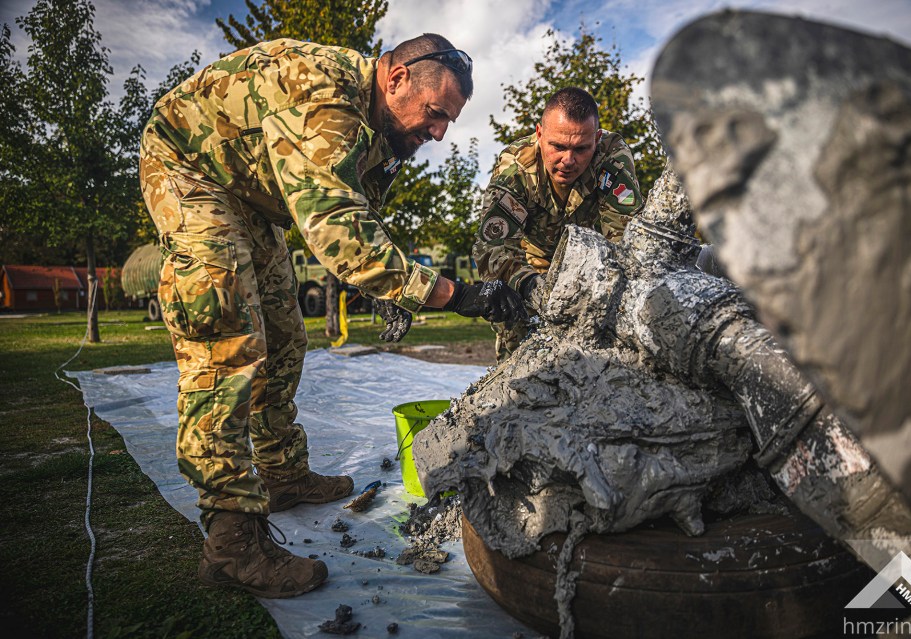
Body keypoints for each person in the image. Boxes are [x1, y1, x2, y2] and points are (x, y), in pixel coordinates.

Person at [139, 33, 525, 598]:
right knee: (226, 342)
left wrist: (392, 288)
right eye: (435, 114)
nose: (440, 132)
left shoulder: (378, 128)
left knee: (285, 337)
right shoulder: (321, 94)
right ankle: (231, 545)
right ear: (395, 79)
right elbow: (338, 228)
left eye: (448, 122)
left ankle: (282, 475)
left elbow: (363, 215)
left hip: (249, 194)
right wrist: (455, 295)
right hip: (190, 170)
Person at [472, 87, 644, 360]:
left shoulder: (611, 157)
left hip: (591, 262)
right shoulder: (516, 168)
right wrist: (530, 287)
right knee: (516, 341)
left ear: (597, 140)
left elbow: (627, 240)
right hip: (530, 265)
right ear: (540, 135)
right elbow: (493, 250)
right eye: (558, 146)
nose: (568, 160)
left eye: (581, 149)